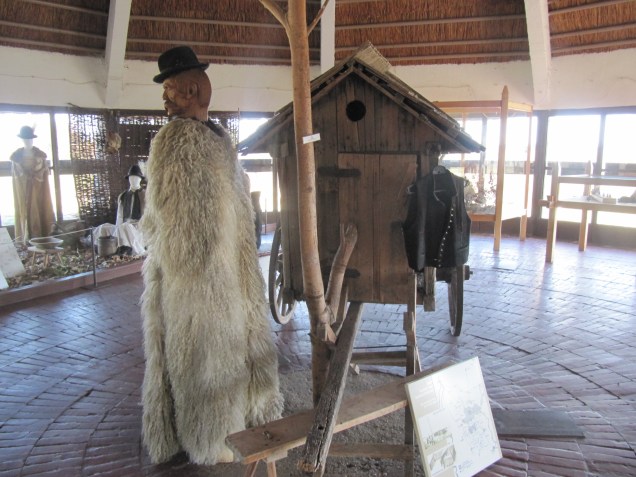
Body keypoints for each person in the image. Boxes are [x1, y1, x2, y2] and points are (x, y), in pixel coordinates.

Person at [140, 46, 283, 465]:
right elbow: (167, 222)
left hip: (230, 271)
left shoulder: (216, 139)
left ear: (191, 90)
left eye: (170, 89)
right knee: (204, 354)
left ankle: (245, 417)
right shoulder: (174, 142)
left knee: (237, 344)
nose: (165, 98)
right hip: (198, 281)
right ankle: (210, 436)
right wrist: (198, 270)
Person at [10, 126, 55, 244]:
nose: (27, 141)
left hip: (38, 189)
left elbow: (43, 173)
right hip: (23, 189)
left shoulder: (40, 156)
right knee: (24, 210)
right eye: (25, 139)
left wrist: (35, 176)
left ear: (33, 139)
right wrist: (26, 178)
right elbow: (17, 176)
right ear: (22, 139)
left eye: (29, 139)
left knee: (40, 208)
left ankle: (41, 237)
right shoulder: (16, 158)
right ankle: (25, 238)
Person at [92, 164, 146, 256]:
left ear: (140, 179)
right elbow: (119, 214)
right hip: (124, 224)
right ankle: (101, 249)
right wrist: (117, 226)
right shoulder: (123, 196)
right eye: (131, 178)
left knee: (125, 227)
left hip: (138, 226)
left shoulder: (145, 195)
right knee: (104, 227)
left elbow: (148, 214)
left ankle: (124, 250)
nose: (133, 180)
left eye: (136, 178)